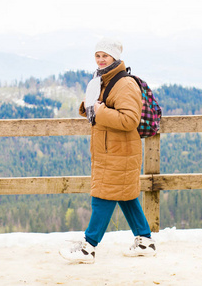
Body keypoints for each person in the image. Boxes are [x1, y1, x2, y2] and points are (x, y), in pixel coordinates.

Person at [59, 37, 156, 264]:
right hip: (110, 150)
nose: (101, 60)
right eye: (98, 55)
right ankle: (145, 241)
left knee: (102, 197)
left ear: (115, 57)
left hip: (119, 152)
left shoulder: (124, 83)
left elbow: (130, 119)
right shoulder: (102, 80)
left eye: (106, 55)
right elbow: (102, 110)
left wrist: (100, 111)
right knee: (125, 196)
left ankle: (88, 248)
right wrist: (90, 108)